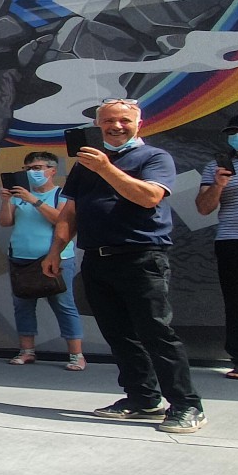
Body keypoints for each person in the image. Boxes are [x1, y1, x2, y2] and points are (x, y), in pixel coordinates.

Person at [45, 99, 205, 433]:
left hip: (141, 257)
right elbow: (70, 213)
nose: (116, 127)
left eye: (123, 121)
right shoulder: (85, 165)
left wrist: (105, 168)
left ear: (139, 123)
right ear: (98, 125)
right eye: (108, 121)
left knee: (156, 333)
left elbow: (149, 197)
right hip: (97, 259)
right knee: (119, 336)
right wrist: (55, 251)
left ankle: (187, 404)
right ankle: (142, 398)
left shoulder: (154, 157)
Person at [0, 151, 84, 369]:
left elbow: (62, 220)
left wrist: (34, 200)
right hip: (20, 258)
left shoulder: (62, 194)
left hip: (56, 259)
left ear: (52, 170)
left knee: (64, 304)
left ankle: (76, 355)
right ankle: (27, 351)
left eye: (37, 168)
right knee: (22, 305)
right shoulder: (19, 195)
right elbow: (5, 222)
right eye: (27, 169)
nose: (31, 172)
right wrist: (7, 201)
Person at [196, 112, 238, 380]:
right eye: (233, 132)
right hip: (233, 241)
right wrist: (219, 185)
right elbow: (203, 208)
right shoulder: (216, 166)